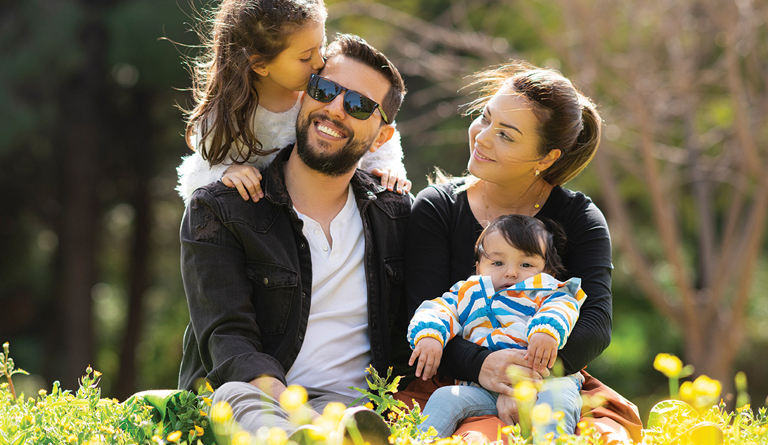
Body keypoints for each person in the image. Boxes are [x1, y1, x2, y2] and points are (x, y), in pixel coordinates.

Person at [178, 33, 410, 442]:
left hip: (351, 410)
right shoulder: (223, 209)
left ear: (381, 137)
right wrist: (299, 416)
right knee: (234, 394)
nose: (335, 109)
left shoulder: (397, 216)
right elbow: (228, 341)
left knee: (353, 420)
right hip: (260, 400)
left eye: (358, 105)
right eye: (325, 90)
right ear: (304, 96)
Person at [400, 62, 642, 443]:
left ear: (545, 159)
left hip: (553, 376)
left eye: (506, 136)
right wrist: (485, 368)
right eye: (484, 118)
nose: (482, 138)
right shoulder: (437, 208)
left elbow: (595, 324)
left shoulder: (580, 218)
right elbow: (422, 310)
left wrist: (522, 381)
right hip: (461, 377)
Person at [176, 0, 410, 206]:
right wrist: (223, 174)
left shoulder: (323, 86)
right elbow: (193, 176)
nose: (320, 61)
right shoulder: (224, 116)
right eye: (305, 56)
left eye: (322, 45)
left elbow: (370, 118)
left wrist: (386, 166)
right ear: (259, 65)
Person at [408, 214, 585, 439]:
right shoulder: (468, 292)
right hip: (484, 389)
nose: (511, 272)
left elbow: (563, 306)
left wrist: (546, 330)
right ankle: (418, 440)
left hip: (544, 383)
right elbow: (438, 308)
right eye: (498, 263)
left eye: (526, 264)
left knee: (559, 400)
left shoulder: (546, 290)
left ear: (547, 271)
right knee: (445, 398)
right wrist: (430, 334)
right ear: (479, 267)